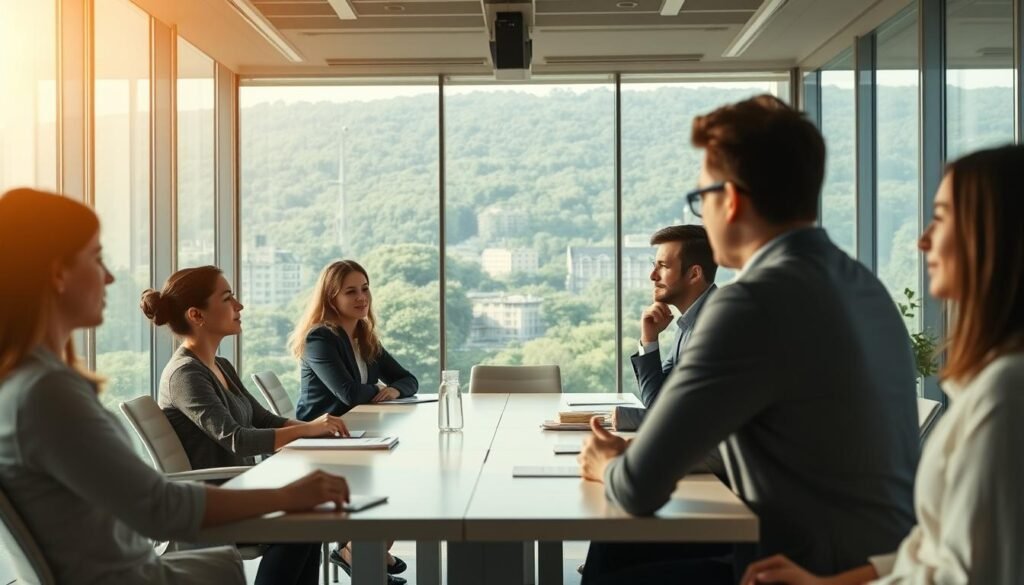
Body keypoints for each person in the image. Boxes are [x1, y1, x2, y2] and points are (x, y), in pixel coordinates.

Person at [577, 95, 919, 584]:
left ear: (730, 199)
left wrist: (606, 463)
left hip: (793, 571)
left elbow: (637, 489)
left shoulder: (751, 303)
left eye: (701, 199)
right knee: (617, 557)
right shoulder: (864, 284)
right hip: (882, 566)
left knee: (611, 565)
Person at [0, 188, 350, 585]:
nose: (111, 276)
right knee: (303, 523)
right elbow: (157, 506)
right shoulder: (47, 394)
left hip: (138, 568)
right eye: (97, 258)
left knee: (305, 524)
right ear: (58, 273)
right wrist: (287, 497)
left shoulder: (29, 386)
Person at [740, 144, 1024, 585]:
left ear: (996, 236)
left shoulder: (1007, 391)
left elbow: (965, 575)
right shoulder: (993, 381)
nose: (922, 239)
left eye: (943, 217)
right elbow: (932, 552)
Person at [142, 265, 351, 585]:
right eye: (228, 298)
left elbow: (262, 419)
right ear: (197, 315)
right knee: (306, 520)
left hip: (238, 488)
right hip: (215, 501)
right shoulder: (185, 374)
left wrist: (320, 429)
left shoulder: (219, 365)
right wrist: (308, 430)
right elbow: (237, 439)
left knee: (313, 517)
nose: (239, 306)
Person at [289, 259, 415, 582]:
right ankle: (359, 552)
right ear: (332, 298)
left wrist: (394, 391)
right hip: (320, 443)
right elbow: (347, 393)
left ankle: (355, 550)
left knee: (403, 478)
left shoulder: (363, 335)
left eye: (365, 289)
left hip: (355, 435)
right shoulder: (320, 339)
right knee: (397, 479)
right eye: (351, 292)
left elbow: (408, 379)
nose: (362, 298)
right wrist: (378, 388)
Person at [614, 224, 718, 431]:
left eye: (663, 266)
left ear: (694, 274)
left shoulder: (715, 326)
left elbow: (688, 419)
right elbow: (658, 403)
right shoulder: (689, 323)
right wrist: (649, 339)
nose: (653, 275)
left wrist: (621, 417)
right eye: (655, 264)